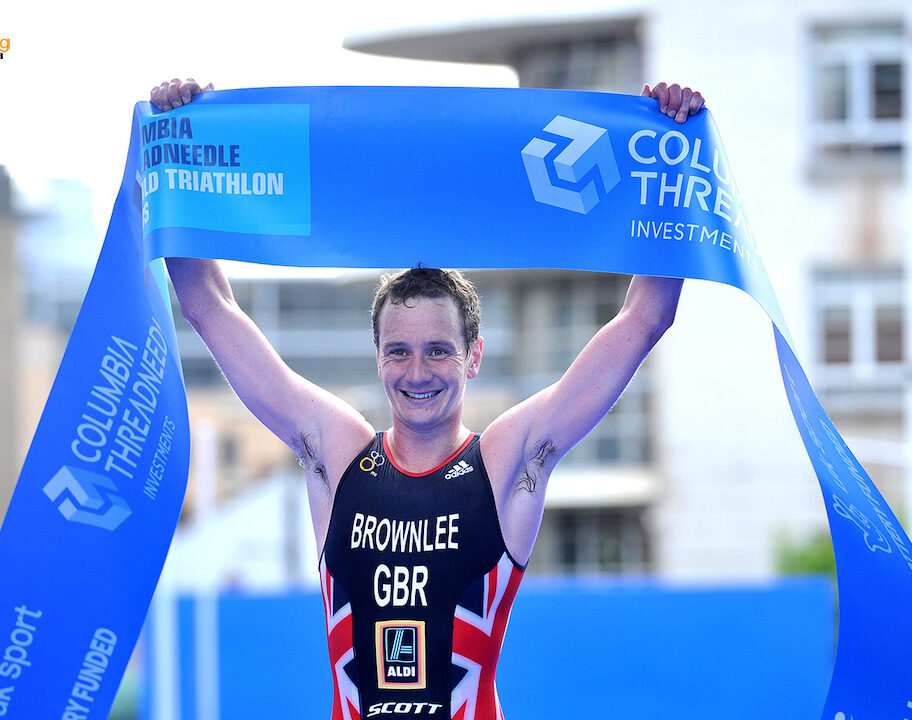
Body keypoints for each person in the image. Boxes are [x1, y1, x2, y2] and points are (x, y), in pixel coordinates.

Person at [152, 78, 704, 720]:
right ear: (378, 358)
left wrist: (673, 145)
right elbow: (207, 306)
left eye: (439, 350)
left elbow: (644, 319)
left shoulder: (506, 462)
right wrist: (185, 148)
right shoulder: (337, 453)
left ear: (473, 356)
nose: (418, 372)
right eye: (399, 351)